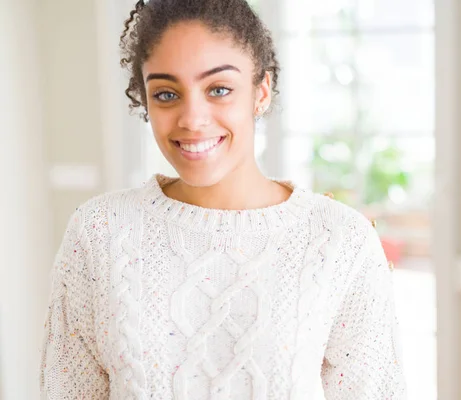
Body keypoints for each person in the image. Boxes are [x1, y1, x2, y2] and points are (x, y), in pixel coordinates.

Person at [39, 0, 406, 398]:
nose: (192, 119)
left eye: (218, 89)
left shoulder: (341, 240)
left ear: (261, 92)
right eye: (165, 94)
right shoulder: (99, 231)